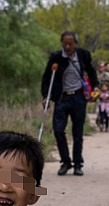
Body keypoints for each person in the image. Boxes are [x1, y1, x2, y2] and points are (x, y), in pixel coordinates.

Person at [41, 31, 98, 176]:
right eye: (65, 43)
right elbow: (47, 77)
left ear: (75, 43)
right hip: (62, 98)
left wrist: (95, 86)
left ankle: (78, 164)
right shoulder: (56, 57)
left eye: (70, 43)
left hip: (78, 97)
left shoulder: (83, 55)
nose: (67, 46)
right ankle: (65, 162)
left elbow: (91, 71)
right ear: (61, 43)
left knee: (77, 132)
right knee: (58, 130)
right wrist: (45, 96)